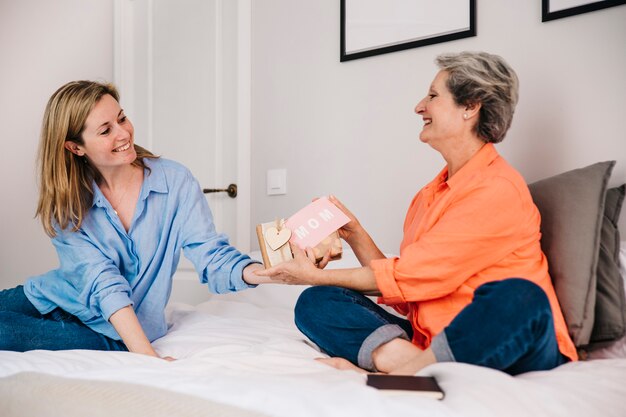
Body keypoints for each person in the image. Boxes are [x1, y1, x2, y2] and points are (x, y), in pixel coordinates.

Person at [255, 51, 578, 375]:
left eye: (434, 96)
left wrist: (311, 274)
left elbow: (405, 279)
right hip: (433, 344)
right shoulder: (429, 196)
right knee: (318, 302)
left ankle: (399, 374)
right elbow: (407, 290)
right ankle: (413, 367)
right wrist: (354, 233)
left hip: (506, 339)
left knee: (520, 297)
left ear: (470, 106)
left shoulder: (497, 189)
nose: (419, 106)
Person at [0, 80, 265, 359]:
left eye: (122, 118)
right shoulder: (67, 203)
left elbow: (211, 255)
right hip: (50, 295)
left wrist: (262, 272)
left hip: (109, 330)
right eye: (106, 130)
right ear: (75, 148)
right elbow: (100, 280)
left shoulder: (175, 182)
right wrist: (151, 360)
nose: (124, 132)